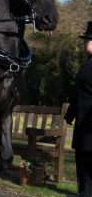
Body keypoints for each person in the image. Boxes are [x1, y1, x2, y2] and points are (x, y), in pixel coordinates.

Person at [65, 21, 92, 197]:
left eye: (88, 40)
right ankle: (84, 192)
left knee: (89, 161)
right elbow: (79, 92)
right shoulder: (87, 64)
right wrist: (70, 114)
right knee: (83, 159)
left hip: (91, 123)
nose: (85, 43)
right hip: (83, 122)